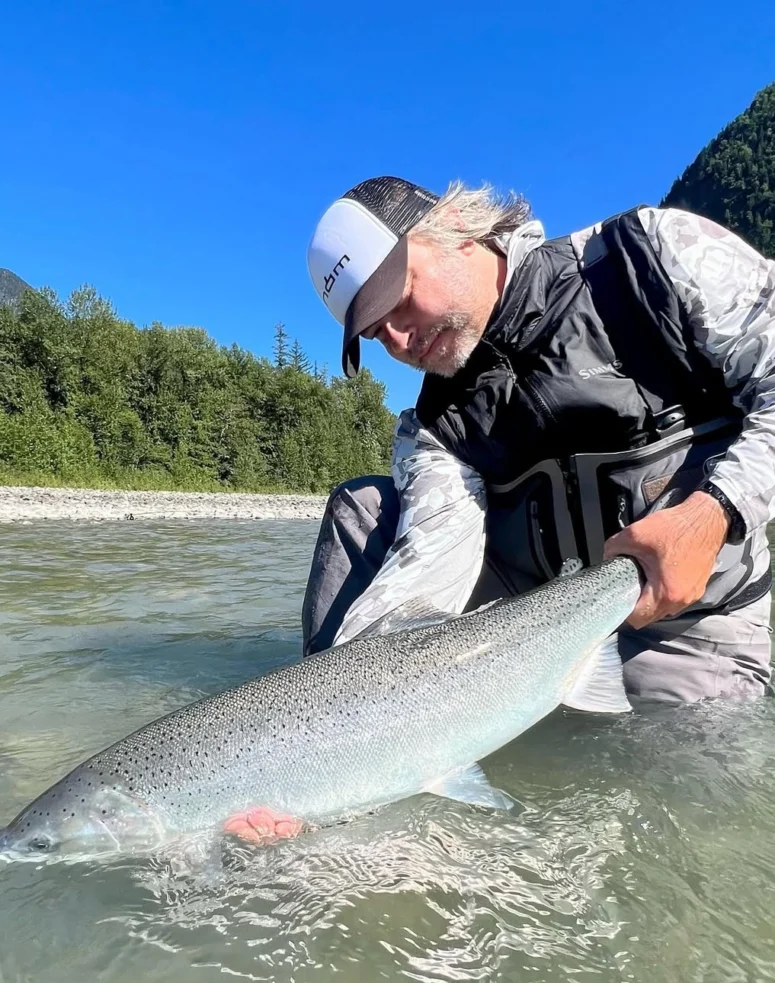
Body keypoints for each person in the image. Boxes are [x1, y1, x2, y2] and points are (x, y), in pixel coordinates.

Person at [301, 175, 775, 703]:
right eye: (374, 332)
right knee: (366, 506)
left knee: (678, 777)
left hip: (683, 627)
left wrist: (714, 513)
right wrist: (346, 710)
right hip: (524, 626)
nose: (399, 340)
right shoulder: (435, 425)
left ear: (456, 226)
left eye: (401, 297)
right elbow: (429, 575)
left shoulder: (652, 259)